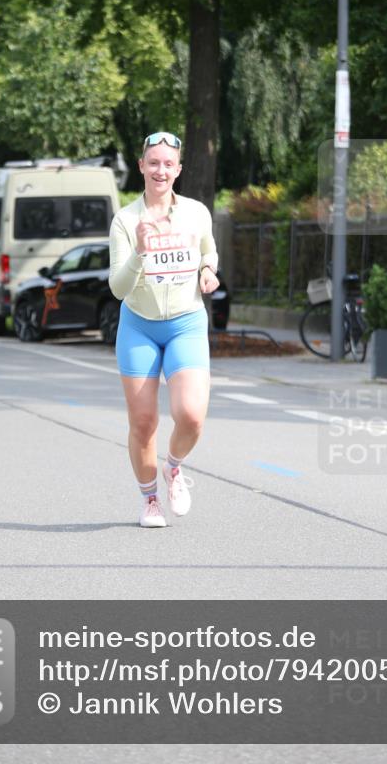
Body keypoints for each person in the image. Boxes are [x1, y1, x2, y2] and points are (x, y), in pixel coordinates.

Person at [109, 132, 220, 528]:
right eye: (153, 163)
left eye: (168, 164)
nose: (160, 170)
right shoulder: (125, 220)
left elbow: (208, 250)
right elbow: (119, 289)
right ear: (141, 166)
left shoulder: (196, 213)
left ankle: (173, 468)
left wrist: (208, 270)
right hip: (139, 327)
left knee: (190, 415)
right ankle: (150, 500)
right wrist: (140, 252)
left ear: (178, 170)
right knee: (143, 423)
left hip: (185, 323)